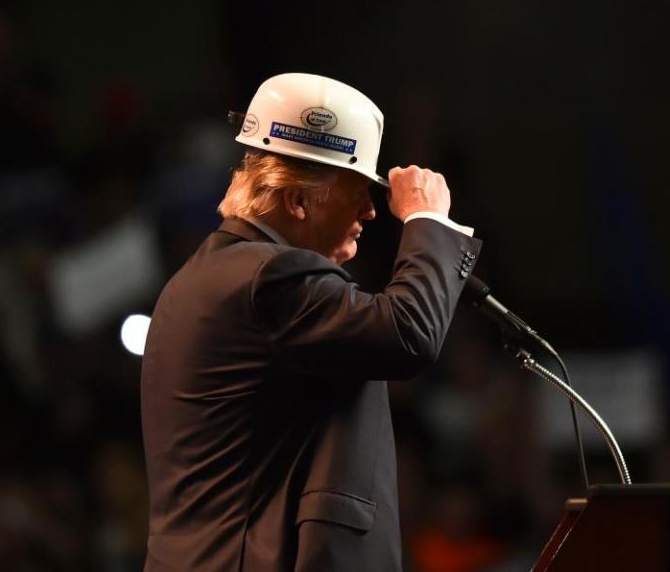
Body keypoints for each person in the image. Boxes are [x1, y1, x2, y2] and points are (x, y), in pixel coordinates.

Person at [140, 73, 481, 571]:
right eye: (358, 190)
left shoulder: (202, 279)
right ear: (297, 199)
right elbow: (408, 334)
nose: (370, 210)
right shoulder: (269, 276)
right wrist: (428, 223)